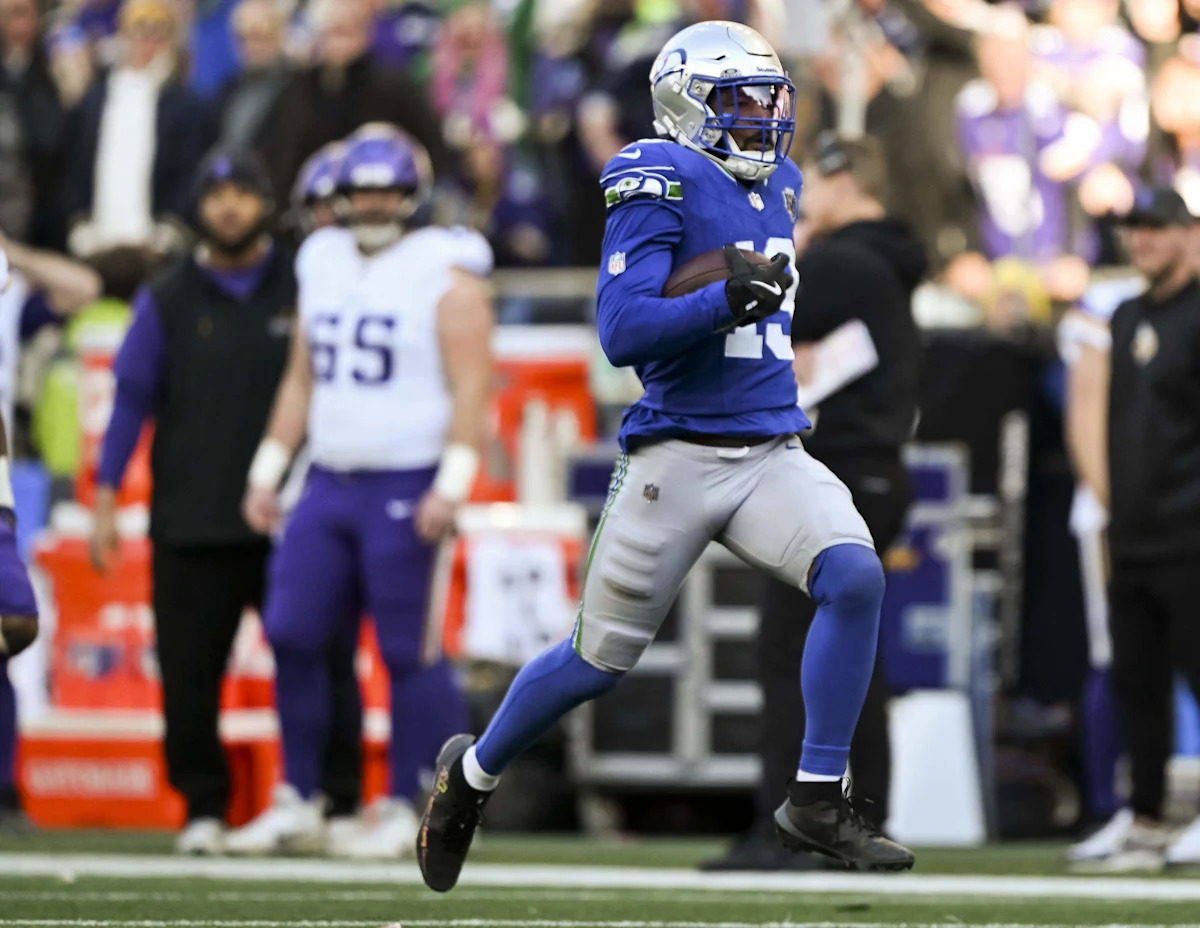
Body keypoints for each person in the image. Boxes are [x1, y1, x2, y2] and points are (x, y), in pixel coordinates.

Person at [417, 21, 915, 894]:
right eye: (741, 102)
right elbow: (621, 331)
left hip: (769, 445)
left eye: (771, 100)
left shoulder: (784, 183)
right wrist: (722, 299)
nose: (764, 119)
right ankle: (475, 773)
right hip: (676, 453)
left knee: (855, 577)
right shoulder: (658, 174)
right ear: (688, 106)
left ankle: (815, 796)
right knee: (595, 663)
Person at [229, 124, 491, 859]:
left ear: (413, 195)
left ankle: (412, 803)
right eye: (361, 191)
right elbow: (301, 377)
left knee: (408, 651)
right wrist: (267, 469)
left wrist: (453, 481)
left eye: (387, 191)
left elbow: (473, 384)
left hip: (408, 479)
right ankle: (299, 797)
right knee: (291, 631)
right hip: (329, 478)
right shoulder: (321, 258)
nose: (374, 204)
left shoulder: (446, 268)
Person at [703, 133, 924, 871]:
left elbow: (748, 331)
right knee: (850, 654)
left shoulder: (843, 265)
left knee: (789, 650)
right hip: (874, 471)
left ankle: (791, 828)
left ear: (844, 179)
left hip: (841, 471)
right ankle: (858, 823)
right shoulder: (880, 264)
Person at [91, 152, 294, 855]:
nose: (230, 207)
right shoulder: (168, 295)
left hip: (287, 522)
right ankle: (203, 808)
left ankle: (321, 796)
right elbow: (130, 401)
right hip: (191, 519)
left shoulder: (302, 284)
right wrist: (106, 498)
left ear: (265, 202)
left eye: (243, 192)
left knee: (310, 658)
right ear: (198, 207)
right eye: (217, 194)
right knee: (187, 675)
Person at [1080, 187, 1200, 870]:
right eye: (1136, 229)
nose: (1144, 240)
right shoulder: (1125, 315)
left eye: (1157, 228)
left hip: (1191, 528)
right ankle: (1147, 817)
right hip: (1133, 529)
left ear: (1187, 233)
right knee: (1137, 680)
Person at [60, 0, 213, 256]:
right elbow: (76, 163)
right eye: (139, 31)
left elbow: (189, 170)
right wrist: (79, 222)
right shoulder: (95, 101)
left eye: (157, 32)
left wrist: (171, 229)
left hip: (155, 245)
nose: (147, 42)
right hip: (98, 241)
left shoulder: (186, 106)